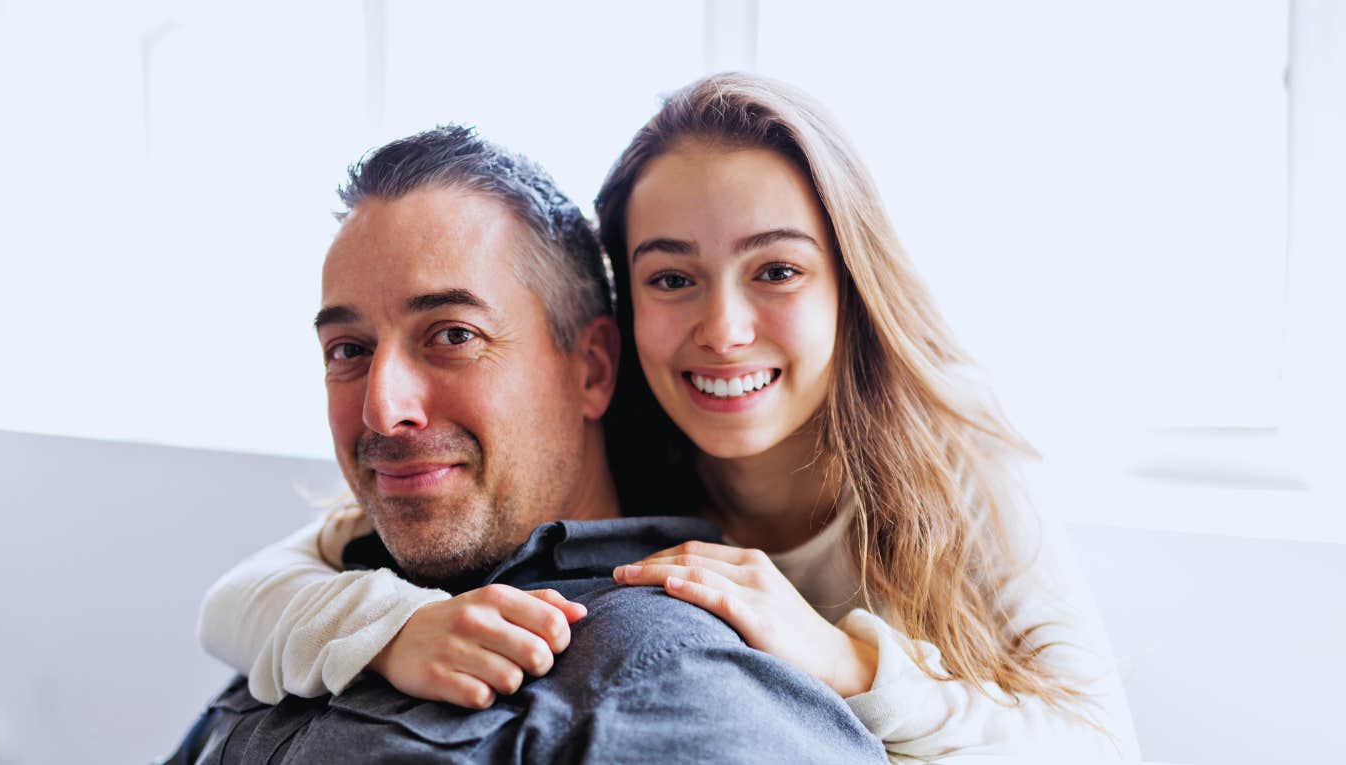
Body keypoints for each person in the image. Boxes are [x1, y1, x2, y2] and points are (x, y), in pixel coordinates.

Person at [199, 74, 1141, 761]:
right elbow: (249, 592)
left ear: (848, 284)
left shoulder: (948, 454)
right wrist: (391, 629)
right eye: (672, 278)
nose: (723, 330)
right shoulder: (618, 437)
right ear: (615, 329)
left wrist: (847, 661)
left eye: (776, 270)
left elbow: (1100, 747)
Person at [167, 124, 886, 764]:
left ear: (592, 368)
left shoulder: (680, 672)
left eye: (453, 336)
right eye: (348, 348)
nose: (384, 411)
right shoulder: (335, 603)